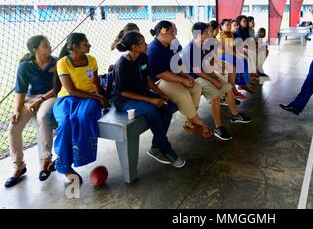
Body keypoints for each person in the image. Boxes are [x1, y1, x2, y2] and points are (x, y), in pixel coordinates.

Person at [112, 31, 185, 167]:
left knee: (168, 106)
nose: (146, 45)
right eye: (143, 43)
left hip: (142, 93)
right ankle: (166, 148)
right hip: (124, 100)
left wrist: (160, 94)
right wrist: (150, 100)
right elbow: (123, 92)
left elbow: (148, 80)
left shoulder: (143, 58)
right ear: (134, 47)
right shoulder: (122, 64)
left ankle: (156, 146)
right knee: (152, 110)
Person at [53, 33, 109, 183]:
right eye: (85, 43)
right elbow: (71, 90)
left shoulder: (92, 60)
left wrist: (101, 99)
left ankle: (80, 156)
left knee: (83, 117)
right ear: (75, 47)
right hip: (67, 99)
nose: (89, 45)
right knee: (65, 123)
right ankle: (65, 166)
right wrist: (99, 98)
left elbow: (96, 83)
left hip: (89, 98)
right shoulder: (63, 63)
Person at [182, 23, 252, 141]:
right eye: (208, 32)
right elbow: (197, 71)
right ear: (200, 34)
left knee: (228, 87)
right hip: (193, 78)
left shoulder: (205, 44)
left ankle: (235, 115)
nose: (211, 33)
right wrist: (213, 80)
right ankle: (218, 128)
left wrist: (215, 76)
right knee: (215, 95)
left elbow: (207, 64)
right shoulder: (191, 48)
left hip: (204, 74)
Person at [5, 36, 58, 188]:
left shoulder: (56, 62)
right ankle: (19, 167)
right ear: (35, 50)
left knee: (42, 116)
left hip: (49, 96)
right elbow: (20, 90)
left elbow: (57, 88)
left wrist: (40, 100)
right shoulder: (25, 66)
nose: (49, 47)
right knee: (13, 127)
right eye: (45, 45)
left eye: (49, 44)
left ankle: (45, 161)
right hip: (30, 99)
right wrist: (16, 110)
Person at [146, 21, 213, 139]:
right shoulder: (153, 48)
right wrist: (182, 81)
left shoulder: (173, 44)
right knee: (183, 94)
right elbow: (161, 74)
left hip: (172, 77)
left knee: (196, 87)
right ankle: (200, 123)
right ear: (163, 32)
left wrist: (186, 76)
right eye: (172, 32)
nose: (175, 35)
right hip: (157, 83)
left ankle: (191, 120)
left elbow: (178, 64)